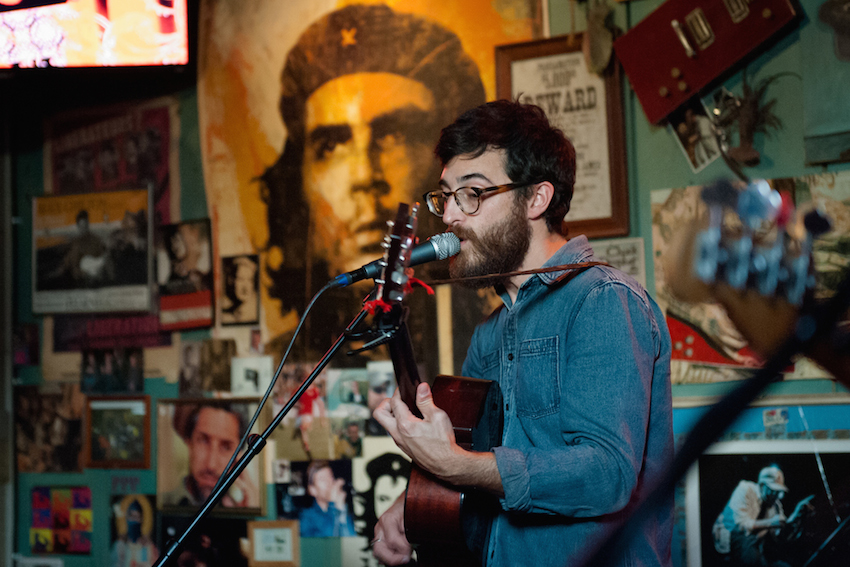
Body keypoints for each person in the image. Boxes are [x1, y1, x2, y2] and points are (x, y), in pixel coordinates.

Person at [371, 100, 675, 567]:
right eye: (446, 196)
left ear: (536, 199)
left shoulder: (603, 300)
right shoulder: (489, 334)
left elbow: (607, 475)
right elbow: (470, 456)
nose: (451, 215)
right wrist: (408, 506)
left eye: (471, 194)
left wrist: (456, 464)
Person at [260, 3, 486, 359]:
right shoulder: (279, 361)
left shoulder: (492, 343)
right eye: (333, 144)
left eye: (394, 135)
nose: (365, 176)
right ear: (296, 185)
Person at [712, 465, 815, 567]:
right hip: (728, 544)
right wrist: (771, 522)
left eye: (778, 491)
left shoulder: (775, 505)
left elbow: (781, 536)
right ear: (762, 485)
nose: (776, 495)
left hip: (752, 548)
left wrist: (797, 514)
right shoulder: (745, 489)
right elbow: (741, 526)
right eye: (772, 490)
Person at [162, 402, 259, 509]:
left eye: (226, 447)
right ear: (189, 442)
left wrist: (250, 515)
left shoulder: (242, 507)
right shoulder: (164, 504)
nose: (211, 465)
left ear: (239, 456)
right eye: (203, 441)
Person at [299, 460, 357, 537]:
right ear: (312, 490)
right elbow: (329, 540)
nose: (329, 482)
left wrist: (341, 508)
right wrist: (332, 505)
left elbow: (351, 539)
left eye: (331, 477)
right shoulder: (306, 517)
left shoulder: (339, 508)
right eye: (323, 479)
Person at [110, 496, 159, 567]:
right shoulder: (120, 545)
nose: (134, 521)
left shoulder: (148, 547)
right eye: (131, 516)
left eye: (137, 517)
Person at [221, 255, 259, 324]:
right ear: (231, 280)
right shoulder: (225, 315)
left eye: (250, 280)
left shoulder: (256, 312)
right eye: (240, 279)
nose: (245, 287)